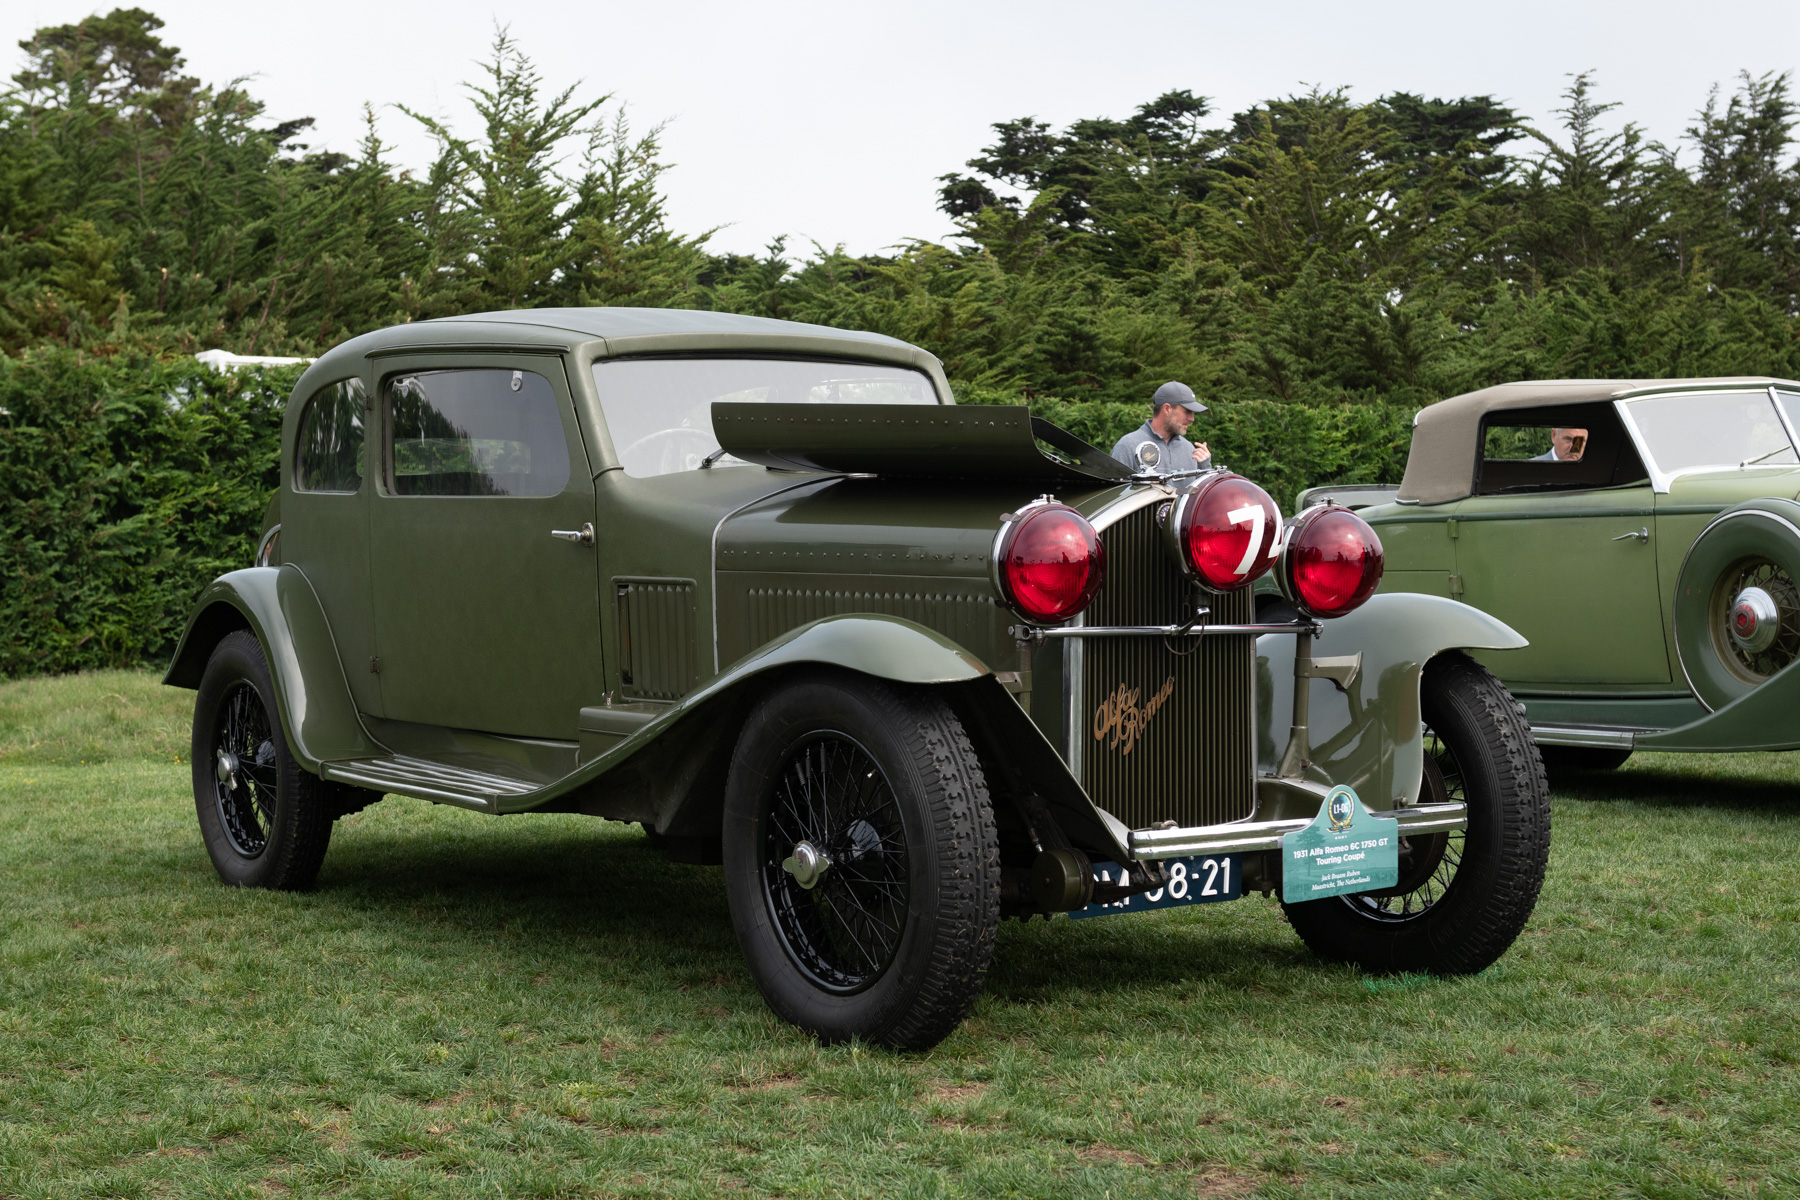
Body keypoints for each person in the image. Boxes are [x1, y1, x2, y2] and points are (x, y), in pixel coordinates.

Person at [1111, 381, 1212, 474]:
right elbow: (1114, 487)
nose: (1192, 418)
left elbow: (1200, 488)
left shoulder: (1189, 449)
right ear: (1167, 409)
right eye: (1187, 411)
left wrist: (1205, 467)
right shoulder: (1127, 446)